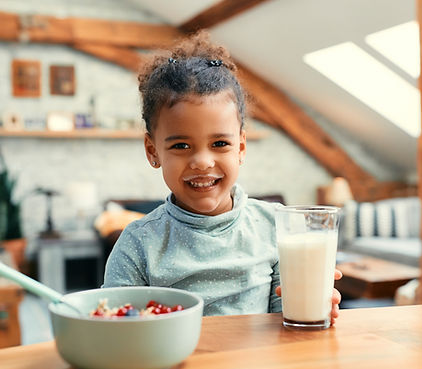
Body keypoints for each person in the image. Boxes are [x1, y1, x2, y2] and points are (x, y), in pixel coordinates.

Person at [103, 32, 342, 323]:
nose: (202, 162)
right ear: (153, 151)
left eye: (219, 144)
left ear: (241, 147)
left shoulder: (277, 227)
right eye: (181, 146)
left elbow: (287, 329)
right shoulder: (138, 244)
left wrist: (315, 309)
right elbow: (115, 327)